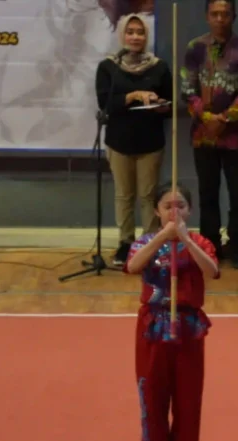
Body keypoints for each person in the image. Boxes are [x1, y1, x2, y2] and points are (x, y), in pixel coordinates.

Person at [124, 182, 220, 441]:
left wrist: (185, 242)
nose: (173, 211)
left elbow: (213, 270)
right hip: (153, 327)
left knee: (188, 400)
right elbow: (133, 266)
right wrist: (164, 238)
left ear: (189, 210)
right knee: (152, 397)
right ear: (157, 211)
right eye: (167, 206)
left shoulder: (200, 241)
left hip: (189, 328)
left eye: (180, 205)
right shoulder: (145, 242)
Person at [181, 0, 238, 269]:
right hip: (203, 135)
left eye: (225, 14)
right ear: (207, 17)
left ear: (233, 16)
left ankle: (237, 245)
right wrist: (206, 118)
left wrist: (224, 119)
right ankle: (209, 244)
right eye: (214, 14)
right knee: (207, 193)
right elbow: (187, 89)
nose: (220, 19)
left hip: (236, 136)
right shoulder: (195, 48)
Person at [95, 13, 172, 267]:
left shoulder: (159, 67)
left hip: (150, 142)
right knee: (124, 195)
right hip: (119, 142)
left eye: (140, 32)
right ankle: (125, 244)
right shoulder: (109, 67)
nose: (135, 37)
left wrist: (160, 105)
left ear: (146, 36)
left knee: (149, 196)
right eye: (131, 32)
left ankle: (149, 244)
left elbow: (169, 105)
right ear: (122, 35)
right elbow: (106, 103)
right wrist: (134, 95)